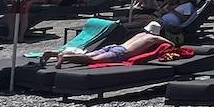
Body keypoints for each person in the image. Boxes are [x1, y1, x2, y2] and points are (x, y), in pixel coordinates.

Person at [41, 32, 174, 68]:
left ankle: (53, 53)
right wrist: (169, 43)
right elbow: (169, 43)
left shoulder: (141, 34)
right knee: (92, 60)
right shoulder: (152, 38)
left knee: (87, 54)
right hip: (121, 53)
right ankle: (64, 57)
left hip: (114, 46)